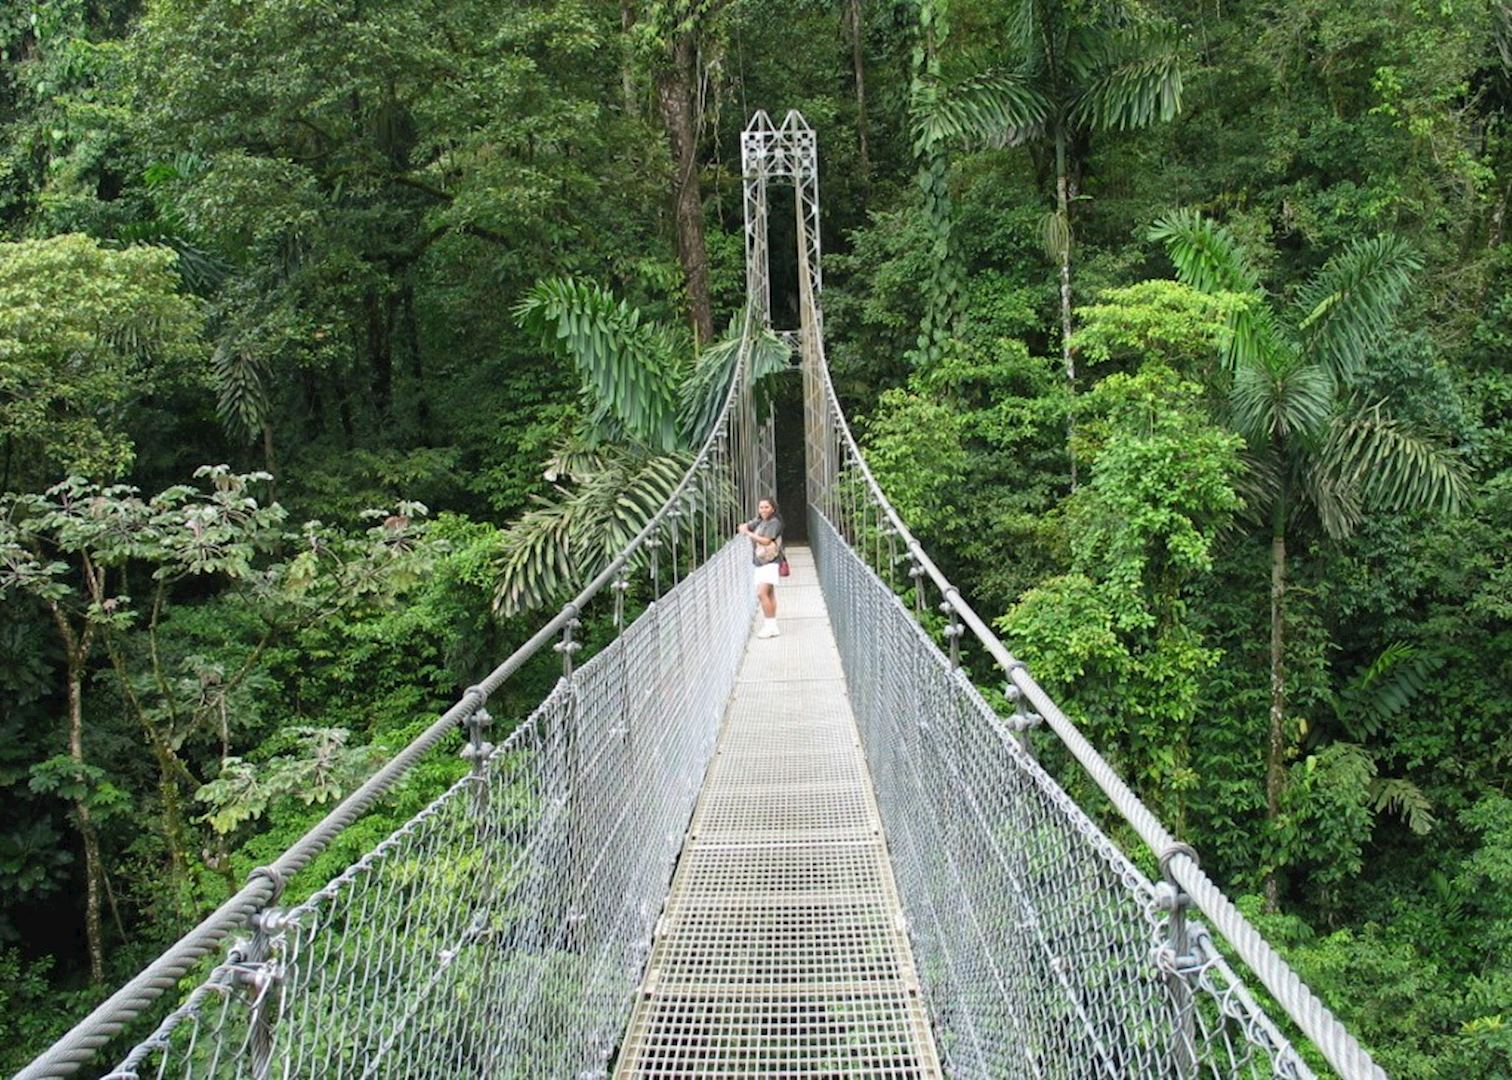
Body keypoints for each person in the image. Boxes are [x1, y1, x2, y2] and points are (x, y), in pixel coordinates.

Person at [738, 497, 784, 638]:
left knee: (761, 593)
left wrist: (749, 533)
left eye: (766, 507)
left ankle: (769, 626)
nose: (763, 510)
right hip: (760, 561)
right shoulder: (761, 521)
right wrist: (744, 527)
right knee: (769, 593)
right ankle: (773, 626)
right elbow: (744, 526)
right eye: (761, 507)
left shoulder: (774, 523)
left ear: (773, 509)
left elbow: (766, 540)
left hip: (770, 561)